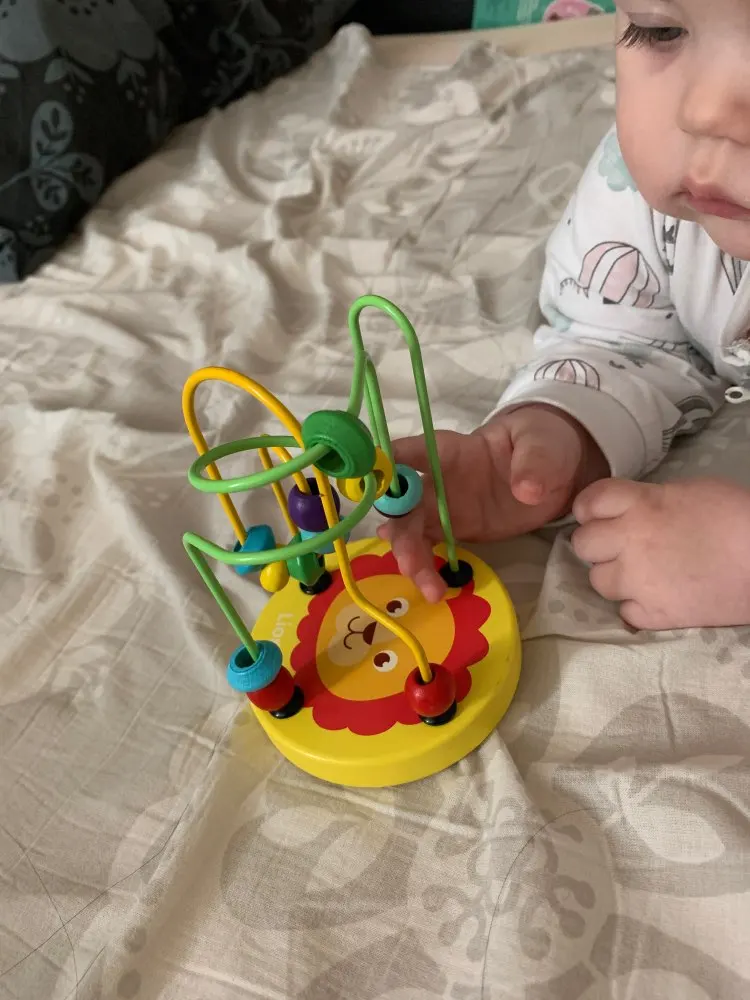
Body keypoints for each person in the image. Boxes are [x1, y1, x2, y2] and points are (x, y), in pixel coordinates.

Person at [381, 0, 750, 632]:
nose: (705, 111)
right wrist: (556, 433)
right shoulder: (649, 200)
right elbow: (622, 336)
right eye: (659, 29)